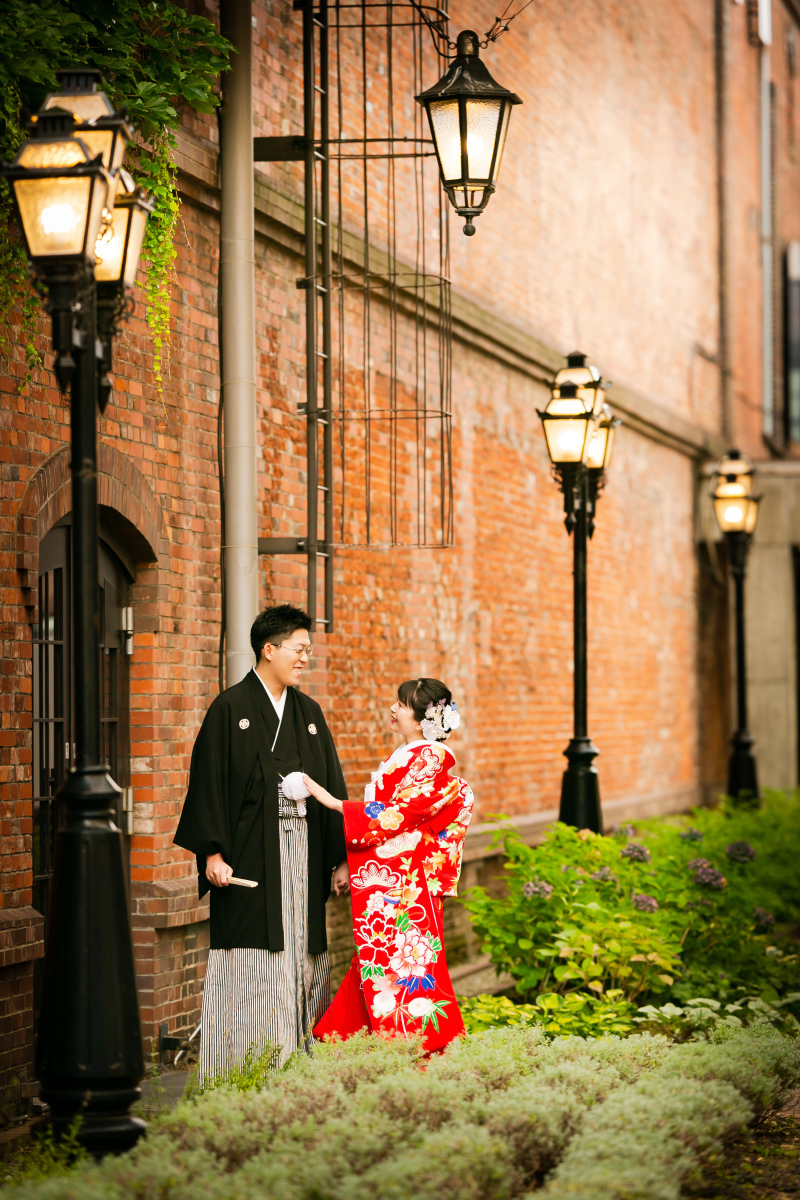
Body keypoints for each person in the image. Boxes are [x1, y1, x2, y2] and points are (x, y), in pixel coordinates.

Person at [173, 604, 349, 1078]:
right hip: (250, 856)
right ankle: (242, 1067)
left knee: (304, 951)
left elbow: (331, 783)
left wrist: (340, 859)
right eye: (299, 649)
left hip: (305, 855)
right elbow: (208, 783)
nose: (305, 658)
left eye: (308, 650)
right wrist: (212, 852)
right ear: (269, 650)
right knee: (252, 953)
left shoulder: (308, 713)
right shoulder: (229, 709)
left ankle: (301, 1067)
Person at [306, 678, 474, 1053]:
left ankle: (420, 1049)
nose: (393, 709)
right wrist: (350, 863)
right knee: (377, 963)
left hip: (407, 884)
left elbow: (401, 815)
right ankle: (351, 1045)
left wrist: (335, 804)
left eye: (401, 704)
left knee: (403, 966)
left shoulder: (430, 757)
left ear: (420, 719)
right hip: (394, 876)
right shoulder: (408, 754)